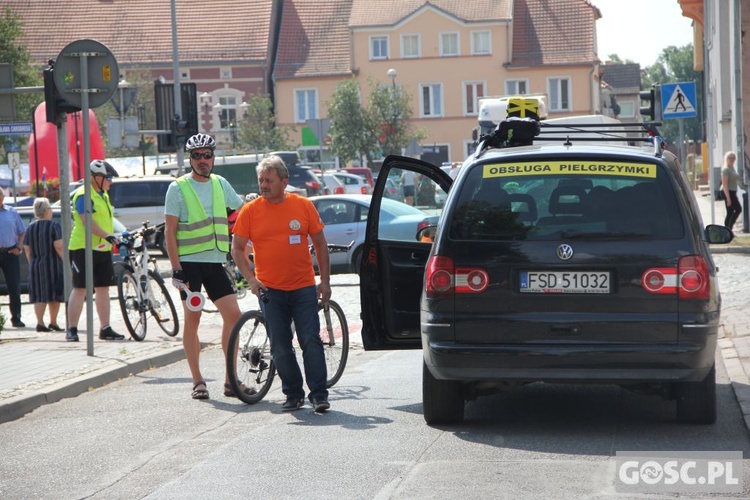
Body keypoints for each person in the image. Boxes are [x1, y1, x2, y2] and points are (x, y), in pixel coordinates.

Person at [231, 155, 332, 413]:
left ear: (284, 182)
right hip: (270, 290)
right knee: (279, 344)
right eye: (260, 180)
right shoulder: (250, 211)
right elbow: (237, 248)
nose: (263, 185)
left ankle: (319, 394)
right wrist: (251, 279)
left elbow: (320, 244)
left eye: (269, 180)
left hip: (303, 287)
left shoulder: (303, 206)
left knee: (310, 339)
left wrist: (325, 282)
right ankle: (293, 393)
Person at [164, 133, 249, 401]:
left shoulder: (220, 184)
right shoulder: (177, 187)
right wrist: (176, 268)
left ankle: (230, 380)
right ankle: (198, 380)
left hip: (215, 262)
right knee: (194, 319)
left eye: (207, 155)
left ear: (214, 157)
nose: (203, 160)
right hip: (189, 265)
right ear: (190, 159)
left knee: (234, 316)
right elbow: (170, 231)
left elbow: (243, 211)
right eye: (197, 156)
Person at [66, 160, 125, 342]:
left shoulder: (103, 195)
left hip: (101, 248)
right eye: (108, 178)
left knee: (103, 289)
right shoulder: (84, 195)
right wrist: (107, 235)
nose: (111, 182)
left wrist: (117, 235)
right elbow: (87, 221)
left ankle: (105, 328)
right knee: (81, 288)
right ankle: (72, 329)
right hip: (82, 247)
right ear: (96, 178)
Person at [23, 197, 64, 332]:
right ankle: (53, 322)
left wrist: (32, 263)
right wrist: (66, 260)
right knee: (54, 294)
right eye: (50, 208)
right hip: (53, 264)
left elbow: (27, 248)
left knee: (39, 294)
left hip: (35, 264)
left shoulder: (30, 227)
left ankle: (40, 322)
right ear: (46, 211)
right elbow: (58, 245)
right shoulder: (54, 226)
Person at [0, 187, 26, 327]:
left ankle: (16, 317)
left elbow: (22, 231)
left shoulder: (12, 212)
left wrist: (19, 247)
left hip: (10, 252)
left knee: (14, 286)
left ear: (3, 197)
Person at [721, 151, 742, 229]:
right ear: (726, 159)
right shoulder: (726, 169)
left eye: (733, 158)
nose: (732, 159)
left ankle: (729, 229)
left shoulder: (732, 168)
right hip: (727, 191)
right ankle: (727, 229)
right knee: (736, 210)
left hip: (732, 191)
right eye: (730, 158)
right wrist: (728, 198)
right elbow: (724, 184)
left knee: (733, 211)